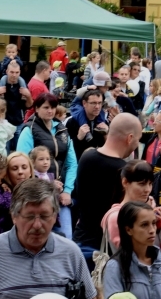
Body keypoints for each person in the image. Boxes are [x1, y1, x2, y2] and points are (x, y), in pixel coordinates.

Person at [73, 113, 142, 251]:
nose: (136, 144)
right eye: (138, 140)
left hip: (81, 240)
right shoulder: (123, 171)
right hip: (106, 247)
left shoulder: (86, 157)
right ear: (130, 138)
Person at [17, 92, 77, 238]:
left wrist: (67, 190)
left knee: (67, 237)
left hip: (61, 194)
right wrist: (48, 184)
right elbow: (22, 165)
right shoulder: (29, 130)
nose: (50, 111)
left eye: (53, 107)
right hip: (37, 194)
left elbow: (72, 163)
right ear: (37, 109)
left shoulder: (62, 130)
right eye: (46, 107)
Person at [101, 160, 155, 253]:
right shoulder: (116, 216)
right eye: (142, 184)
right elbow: (124, 253)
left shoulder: (152, 205)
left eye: (150, 184)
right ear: (125, 182)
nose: (147, 189)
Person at [0, 60, 33, 149]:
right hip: (3, 123)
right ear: (7, 72)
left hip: (18, 123)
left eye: (17, 72)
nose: (14, 75)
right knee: (4, 152)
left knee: (19, 151)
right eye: (12, 72)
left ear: (20, 72)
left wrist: (28, 96)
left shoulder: (23, 85)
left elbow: (29, 106)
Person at [65, 89, 108, 160]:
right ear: (84, 103)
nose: (97, 107)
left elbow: (110, 149)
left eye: (100, 103)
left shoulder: (103, 122)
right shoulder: (72, 122)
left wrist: (106, 134)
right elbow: (66, 149)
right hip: (79, 162)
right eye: (93, 103)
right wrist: (78, 138)